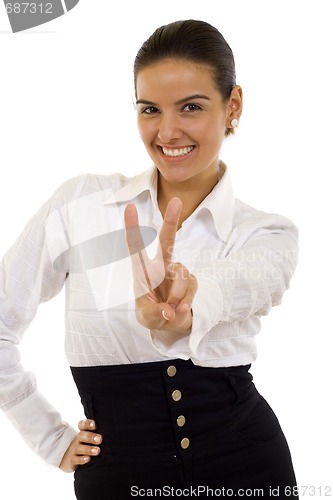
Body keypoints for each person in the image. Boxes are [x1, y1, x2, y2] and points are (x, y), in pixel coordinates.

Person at [0, 19, 299, 499]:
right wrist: (48, 436)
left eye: (191, 107)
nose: (166, 131)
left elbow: (241, 282)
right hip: (117, 481)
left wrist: (189, 299)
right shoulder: (82, 208)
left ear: (233, 106)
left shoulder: (265, 233)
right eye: (149, 109)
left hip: (248, 469)